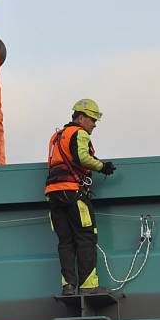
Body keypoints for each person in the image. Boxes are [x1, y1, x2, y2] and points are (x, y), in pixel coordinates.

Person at [45, 99, 116, 296]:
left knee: (65, 242)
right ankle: (88, 286)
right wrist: (103, 167)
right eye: (92, 120)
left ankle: (68, 286)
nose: (94, 124)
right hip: (74, 193)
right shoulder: (79, 133)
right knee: (86, 238)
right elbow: (81, 158)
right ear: (81, 117)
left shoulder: (56, 137)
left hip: (53, 194)